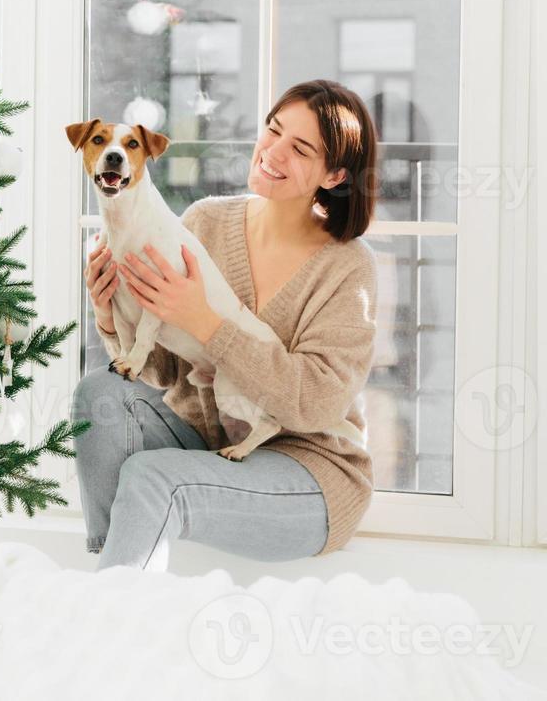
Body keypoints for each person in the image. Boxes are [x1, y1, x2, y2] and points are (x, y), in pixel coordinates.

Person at [74, 79, 380, 571]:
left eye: (300, 148)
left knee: (155, 476)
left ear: (335, 173)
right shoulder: (206, 222)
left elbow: (318, 401)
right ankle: (118, 582)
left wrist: (210, 323)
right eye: (273, 130)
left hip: (308, 474)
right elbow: (168, 373)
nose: (273, 152)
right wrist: (111, 315)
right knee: (99, 394)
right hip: (210, 448)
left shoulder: (347, 266)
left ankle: (109, 606)